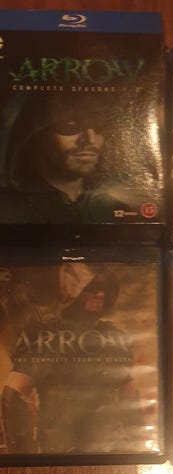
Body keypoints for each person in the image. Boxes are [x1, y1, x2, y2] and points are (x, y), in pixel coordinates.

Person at [1, 266, 144, 454]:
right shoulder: (46, 336)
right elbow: (12, 397)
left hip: (107, 447)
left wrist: (138, 445)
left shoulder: (111, 335)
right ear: (70, 290)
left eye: (105, 289)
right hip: (60, 447)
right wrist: (22, 454)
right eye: (92, 288)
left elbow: (128, 395)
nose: (100, 294)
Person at [0, 94, 136, 224]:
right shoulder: (7, 209)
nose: (90, 139)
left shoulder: (117, 210)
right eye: (70, 125)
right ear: (37, 136)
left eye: (98, 127)